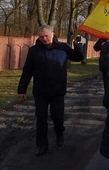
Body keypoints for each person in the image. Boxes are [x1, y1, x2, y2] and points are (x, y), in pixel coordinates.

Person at [17, 25, 83, 156]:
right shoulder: (34, 51)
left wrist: (78, 45)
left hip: (57, 90)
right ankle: (42, 145)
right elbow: (27, 70)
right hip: (40, 91)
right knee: (41, 118)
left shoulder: (63, 48)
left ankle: (59, 133)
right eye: (41, 36)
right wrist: (22, 89)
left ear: (53, 34)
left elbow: (77, 57)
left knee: (57, 117)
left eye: (46, 36)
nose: (44, 38)